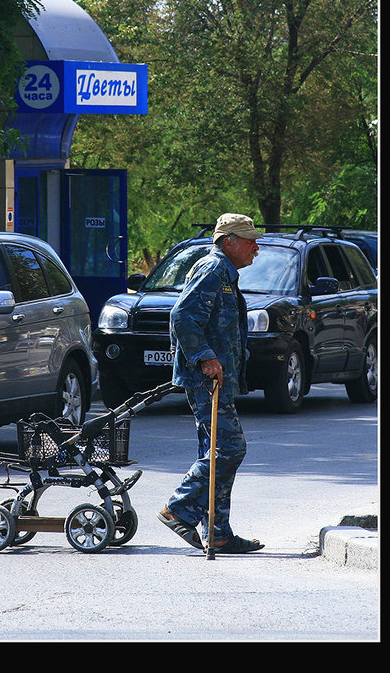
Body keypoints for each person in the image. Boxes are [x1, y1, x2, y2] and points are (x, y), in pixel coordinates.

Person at [157, 213, 265, 554]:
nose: (255, 249)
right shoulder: (213, 269)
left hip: (218, 378)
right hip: (205, 378)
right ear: (228, 241)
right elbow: (182, 316)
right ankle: (177, 509)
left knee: (214, 452)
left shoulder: (225, 273)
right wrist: (205, 356)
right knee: (230, 448)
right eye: (249, 242)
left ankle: (217, 532)